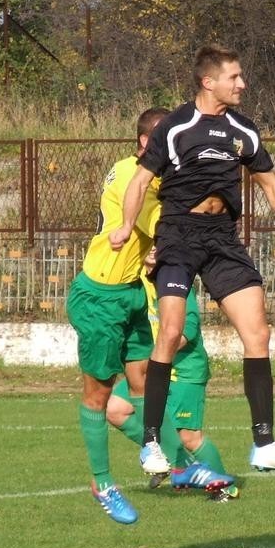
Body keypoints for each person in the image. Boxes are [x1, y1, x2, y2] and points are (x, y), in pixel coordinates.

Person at [109, 44, 275, 478]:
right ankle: (150, 445)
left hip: (222, 238)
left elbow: (269, 182)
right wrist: (127, 225)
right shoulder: (177, 126)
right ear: (209, 82)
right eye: (234, 77)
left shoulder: (245, 129)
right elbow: (142, 179)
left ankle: (264, 444)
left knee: (259, 333)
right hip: (180, 233)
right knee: (171, 332)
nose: (242, 84)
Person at [67, 108, 232, 525]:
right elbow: (167, 223)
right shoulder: (130, 177)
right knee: (99, 395)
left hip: (130, 294)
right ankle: (102, 483)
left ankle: (177, 463)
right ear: (145, 144)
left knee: (143, 380)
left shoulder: (154, 178)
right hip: (100, 296)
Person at [106, 249, 237, 501]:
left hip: (185, 370)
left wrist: (160, 356)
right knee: (115, 408)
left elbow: (186, 330)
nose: (154, 251)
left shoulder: (175, 281)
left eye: (158, 246)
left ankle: (224, 487)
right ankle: (178, 462)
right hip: (150, 371)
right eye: (148, 245)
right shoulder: (136, 284)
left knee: (189, 437)